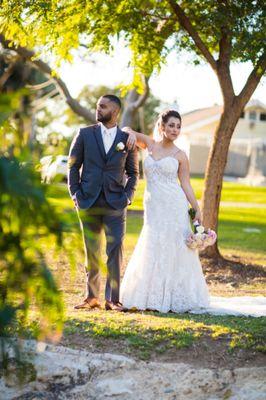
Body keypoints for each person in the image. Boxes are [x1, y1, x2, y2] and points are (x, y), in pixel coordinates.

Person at [120, 109, 210, 313]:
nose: (175, 130)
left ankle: (175, 295)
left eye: (178, 126)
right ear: (161, 126)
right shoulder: (149, 144)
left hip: (175, 205)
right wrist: (132, 134)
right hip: (153, 205)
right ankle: (149, 294)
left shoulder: (181, 155)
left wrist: (196, 207)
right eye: (171, 125)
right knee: (152, 243)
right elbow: (125, 130)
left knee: (174, 246)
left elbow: (185, 183)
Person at [68, 94, 139, 311]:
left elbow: (134, 173)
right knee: (92, 250)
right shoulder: (84, 134)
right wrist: (76, 194)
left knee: (115, 250)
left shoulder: (127, 140)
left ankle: (113, 299)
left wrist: (127, 196)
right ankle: (91, 298)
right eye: (98, 105)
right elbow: (72, 166)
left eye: (103, 106)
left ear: (115, 111)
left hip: (115, 203)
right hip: (87, 200)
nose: (98, 109)